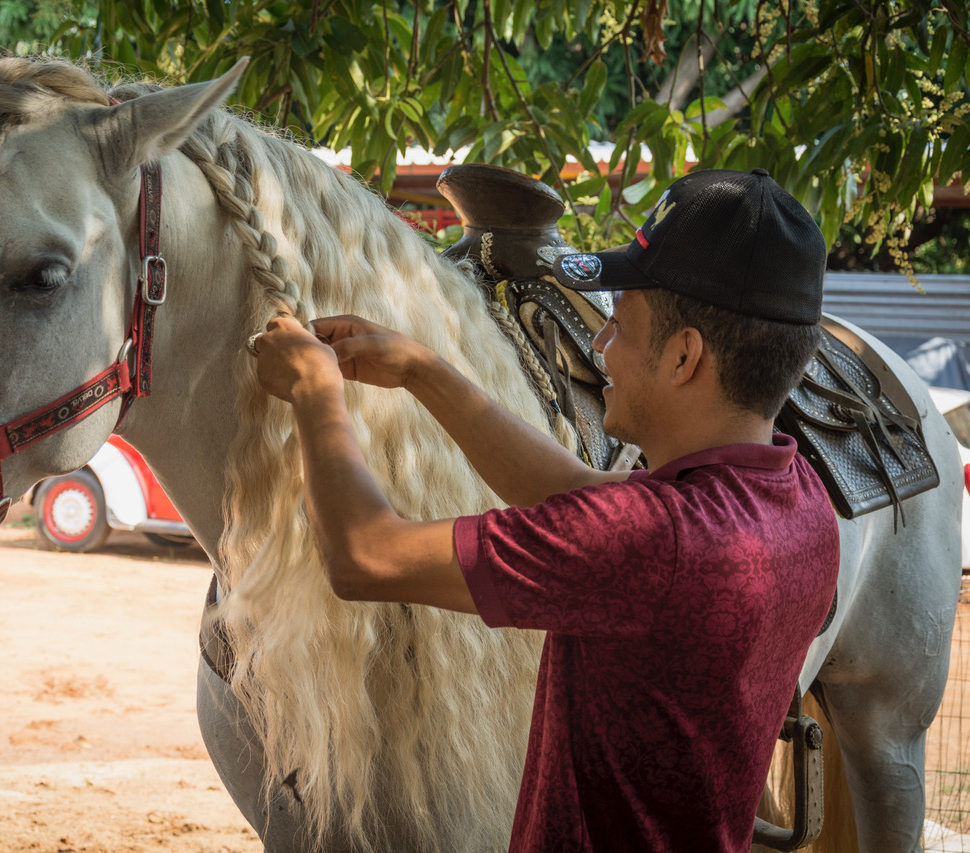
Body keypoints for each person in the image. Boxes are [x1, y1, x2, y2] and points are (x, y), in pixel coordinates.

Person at [248, 168, 840, 853]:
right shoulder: (800, 502)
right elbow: (581, 494)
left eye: (619, 321)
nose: (599, 343)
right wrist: (423, 370)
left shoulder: (654, 544)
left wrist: (315, 391)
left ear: (684, 356)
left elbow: (364, 555)